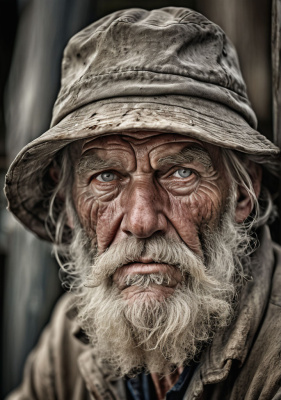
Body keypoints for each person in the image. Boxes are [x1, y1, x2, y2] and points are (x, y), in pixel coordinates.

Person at [4, 7, 281, 400]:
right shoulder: (72, 338)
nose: (141, 219)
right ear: (67, 202)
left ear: (241, 190)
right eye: (106, 177)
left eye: (180, 173)